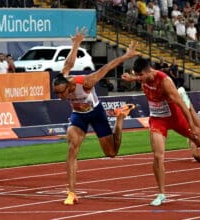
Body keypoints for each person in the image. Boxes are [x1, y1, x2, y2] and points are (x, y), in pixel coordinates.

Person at [52, 28, 140, 205]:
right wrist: (76, 43)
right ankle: (71, 192)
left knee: (111, 153)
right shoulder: (63, 78)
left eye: (61, 93)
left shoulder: (86, 82)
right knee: (72, 148)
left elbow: (107, 67)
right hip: (79, 116)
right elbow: (69, 63)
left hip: (96, 113)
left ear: (69, 87)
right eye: (57, 94)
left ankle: (120, 118)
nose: (60, 97)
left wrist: (127, 56)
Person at [121, 57, 200, 206]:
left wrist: (192, 125)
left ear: (149, 71)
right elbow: (140, 77)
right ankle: (161, 194)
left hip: (175, 117)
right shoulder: (143, 77)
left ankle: (190, 105)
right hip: (157, 119)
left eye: (141, 76)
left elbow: (179, 105)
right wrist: (132, 78)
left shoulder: (165, 81)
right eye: (137, 76)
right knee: (157, 156)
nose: (139, 79)